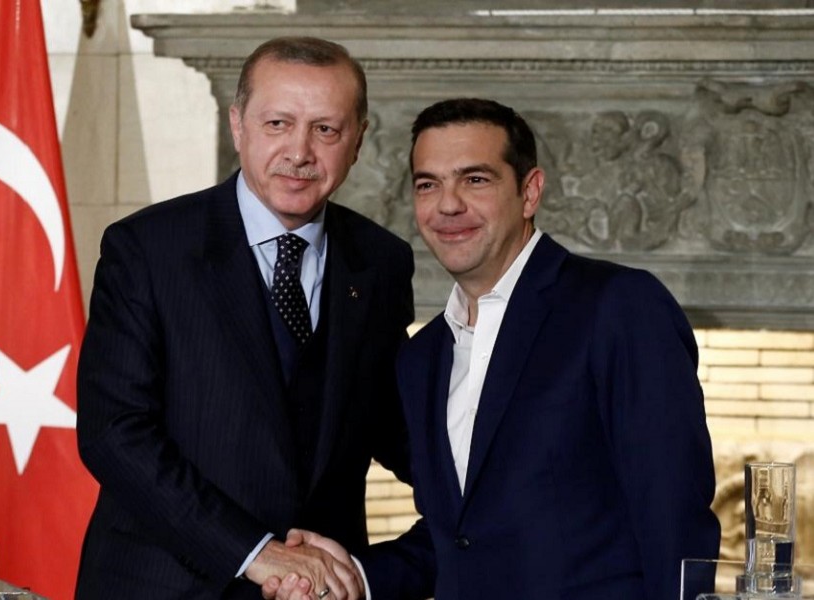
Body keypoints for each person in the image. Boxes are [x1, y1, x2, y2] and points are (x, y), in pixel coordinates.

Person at [267, 98, 721, 600]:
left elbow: (674, 521)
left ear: (530, 192)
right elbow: (461, 539)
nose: (448, 204)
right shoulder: (423, 357)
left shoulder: (617, 308)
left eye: (475, 180)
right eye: (428, 184)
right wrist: (353, 574)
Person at [74, 36, 414, 600]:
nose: (300, 152)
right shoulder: (147, 250)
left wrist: (492, 507)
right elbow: (114, 434)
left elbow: (394, 426)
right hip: (163, 587)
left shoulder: (381, 261)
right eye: (277, 123)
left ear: (357, 140)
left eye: (325, 129)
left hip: (320, 593)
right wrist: (255, 552)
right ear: (238, 126)